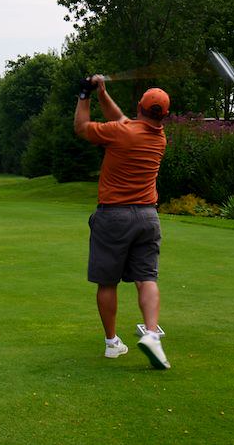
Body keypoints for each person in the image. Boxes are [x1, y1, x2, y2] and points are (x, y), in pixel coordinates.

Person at [73, 75, 171, 369]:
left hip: (113, 215)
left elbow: (81, 128)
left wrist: (84, 94)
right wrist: (102, 93)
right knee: (147, 279)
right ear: (163, 115)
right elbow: (124, 120)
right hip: (147, 217)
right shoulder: (158, 137)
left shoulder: (121, 133)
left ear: (140, 106)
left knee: (108, 281)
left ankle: (112, 343)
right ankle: (152, 333)